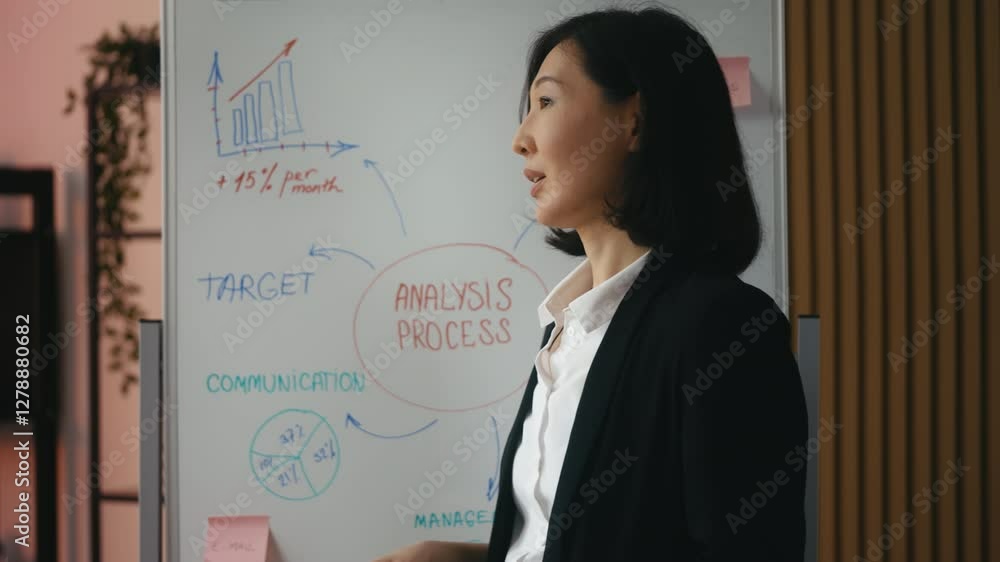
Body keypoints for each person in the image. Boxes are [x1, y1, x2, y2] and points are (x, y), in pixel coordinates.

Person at [373, 6, 808, 562]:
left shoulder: (720, 326)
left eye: (546, 102)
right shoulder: (567, 331)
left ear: (634, 121)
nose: (520, 139)